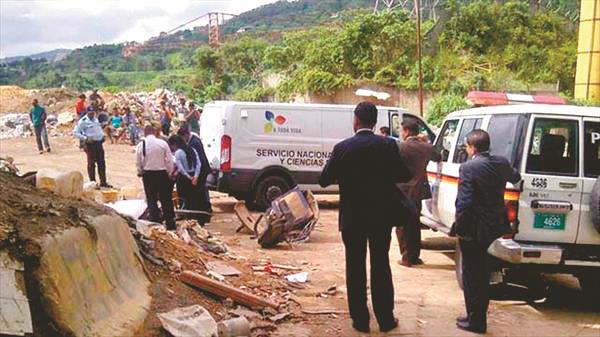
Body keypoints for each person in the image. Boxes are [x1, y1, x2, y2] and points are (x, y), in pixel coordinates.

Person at [318, 102, 412, 333]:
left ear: (356, 121)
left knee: (355, 268)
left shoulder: (343, 148)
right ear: (374, 122)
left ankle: (360, 321)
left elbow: (323, 180)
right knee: (380, 265)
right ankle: (385, 320)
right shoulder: (388, 145)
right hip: (381, 217)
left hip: (352, 218)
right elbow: (403, 174)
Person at [454, 129, 521, 334]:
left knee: (473, 276)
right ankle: (474, 316)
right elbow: (516, 177)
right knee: (482, 272)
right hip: (494, 226)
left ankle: (476, 321)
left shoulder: (468, 167)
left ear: (472, 147)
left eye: (467, 146)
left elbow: (463, 203)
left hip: (473, 228)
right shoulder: (500, 162)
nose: (466, 149)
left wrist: (459, 226)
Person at [396, 118, 441, 267]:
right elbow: (438, 157)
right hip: (418, 191)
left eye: (402, 131)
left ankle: (407, 257)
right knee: (415, 224)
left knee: (402, 226)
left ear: (407, 131)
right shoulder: (426, 147)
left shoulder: (401, 147)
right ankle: (415, 256)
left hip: (403, 190)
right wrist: (426, 141)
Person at [136, 125, 177, 230]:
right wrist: (169, 172)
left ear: (145, 133)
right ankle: (170, 223)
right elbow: (169, 161)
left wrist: (140, 171)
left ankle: (154, 223)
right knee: (166, 199)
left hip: (148, 174)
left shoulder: (141, 145)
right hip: (162, 173)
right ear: (154, 133)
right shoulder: (162, 144)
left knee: (151, 199)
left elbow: (138, 161)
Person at [177, 123, 212, 224]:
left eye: (183, 137)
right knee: (201, 194)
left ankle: (203, 215)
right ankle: (203, 214)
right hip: (199, 172)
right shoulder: (193, 140)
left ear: (187, 135)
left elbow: (197, 162)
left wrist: (194, 176)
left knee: (200, 195)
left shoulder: (194, 143)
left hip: (200, 172)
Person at [168, 135, 206, 221]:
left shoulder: (178, 153)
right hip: (194, 176)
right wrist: (195, 177)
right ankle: (194, 217)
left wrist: (188, 177)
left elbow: (180, 168)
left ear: (174, 144)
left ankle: (184, 216)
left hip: (184, 178)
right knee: (193, 198)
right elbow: (198, 164)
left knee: (183, 198)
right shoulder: (192, 150)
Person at [73, 106, 112, 188]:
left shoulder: (96, 119)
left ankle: (103, 182)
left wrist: (102, 135)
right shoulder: (83, 121)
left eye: (93, 113)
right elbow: (76, 133)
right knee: (91, 164)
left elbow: (98, 129)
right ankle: (93, 182)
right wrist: (85, 138)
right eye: (90, 113)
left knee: (101, 163)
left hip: (99, 143)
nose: (91, 115)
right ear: (87, 113)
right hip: (90, 144)